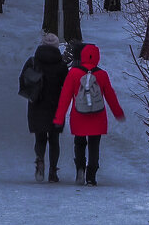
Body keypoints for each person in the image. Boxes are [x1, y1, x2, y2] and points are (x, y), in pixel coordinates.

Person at [53, 43, 124, 186]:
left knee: (79, 143)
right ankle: (91, 175)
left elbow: (65, 97)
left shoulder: (73, 73)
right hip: (97, 116)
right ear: (97, 57)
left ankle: (80, 169)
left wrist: (59, 118)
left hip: (79, 115)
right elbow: (110, 96)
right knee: (94, 144)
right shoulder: (102, 75)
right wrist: (118, 113)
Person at [27, 32, 69, 183]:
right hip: (55, 105)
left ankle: (39, 161)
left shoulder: (33, 62)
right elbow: (67, 85)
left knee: (40, 137)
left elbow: (23, 80)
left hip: (37, 104)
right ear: (57, 46)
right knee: (54, 139)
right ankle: (53, 171)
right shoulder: (61, 65)